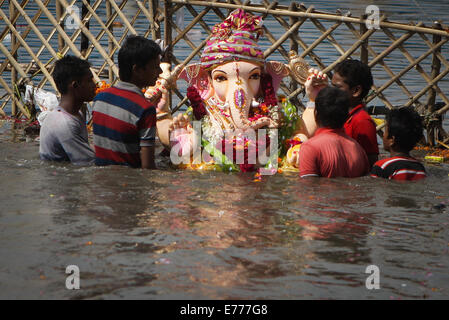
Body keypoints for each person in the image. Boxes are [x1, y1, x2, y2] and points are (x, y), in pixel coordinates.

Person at [92, 35, 166, 169]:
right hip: (129, 184)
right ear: (137, 70)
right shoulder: (144, 109)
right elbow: (148, 168)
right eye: (155, 67)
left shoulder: (99, 99)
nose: (160, 72)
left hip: (101, 181)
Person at [304, 60, 379, 167]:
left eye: (337, 87)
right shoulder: (338, 114)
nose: (332, 91)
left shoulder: (362, 121)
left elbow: (371, 164)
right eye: (332, 86)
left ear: (356, 91)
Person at [298, 87, 370, 178]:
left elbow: (308, 189)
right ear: (347, 117)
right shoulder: (358, 149)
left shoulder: (310, 148)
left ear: (316, 114)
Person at [39, 55, 96, 165]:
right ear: (75, 85)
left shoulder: (75, 114)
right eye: (89, 80)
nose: (94, 85)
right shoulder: (64, 124)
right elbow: (89, 163)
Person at [371, 107, 426, 181]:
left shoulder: (381, 166)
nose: (383, 135)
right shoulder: (420, 168)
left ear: (392, 140)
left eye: (385, 131)